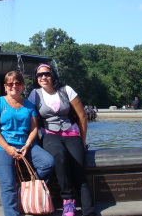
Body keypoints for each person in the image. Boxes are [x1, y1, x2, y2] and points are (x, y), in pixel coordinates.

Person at [28, 64, 96, 216]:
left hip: (71, 133)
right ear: (36, 78)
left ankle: (89, 211)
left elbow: (82, 116)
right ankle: (68, 200)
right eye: (40, 75)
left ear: (53, 75)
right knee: (59, 155)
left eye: (46, 74)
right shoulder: (35, 94)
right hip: (50, 134)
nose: (43, 77)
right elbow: (31, 120)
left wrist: (82, 141)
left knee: (79, 170)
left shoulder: (66, 90)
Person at [0, 71, 54, 216]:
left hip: (25, 145)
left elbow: (34, 128)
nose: (14, 86)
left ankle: (26, 189)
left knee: (48, 162)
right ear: (5, 86)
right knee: (8, 184)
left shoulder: (29, 105)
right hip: (0, 147)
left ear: (22, 86)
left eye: (17, 83)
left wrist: (28, 144)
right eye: (10, 84)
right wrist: (8, 148)